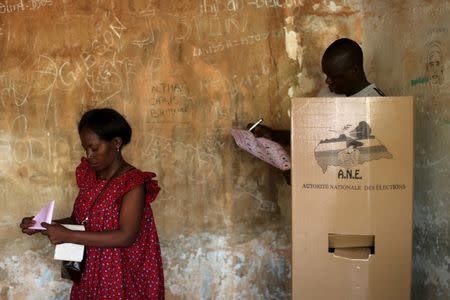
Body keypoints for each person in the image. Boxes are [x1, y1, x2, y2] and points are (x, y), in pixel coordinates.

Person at [20, 108, 164, 299]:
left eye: (94, 148)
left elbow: (125, 236)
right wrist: (42, 224)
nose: (89, 155)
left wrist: (68, 235)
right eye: (85, 148)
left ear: (116, 143)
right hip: (90, 270)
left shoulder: (133, 183)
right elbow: (80, 220)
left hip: (119, 274)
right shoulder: (90, 177)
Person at [248, 38, 385, 184]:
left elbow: (363, 162)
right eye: (327, 75)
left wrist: (304, 174)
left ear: (354, 71)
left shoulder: (377, 105)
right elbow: (314, 138)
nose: (328, 81)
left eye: (334, 77)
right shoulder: (328, 94)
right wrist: (272, 135)